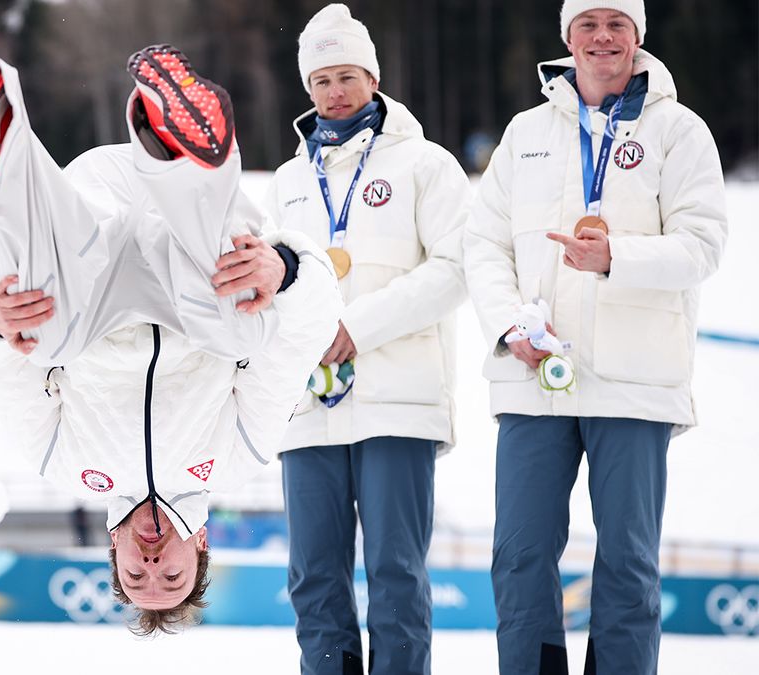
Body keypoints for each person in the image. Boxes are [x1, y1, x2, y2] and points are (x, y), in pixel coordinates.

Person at [0, 45, 341, 635]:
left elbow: (0, 372)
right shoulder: (237, 459)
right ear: (199, 547)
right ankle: (175, 144)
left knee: (39, 338)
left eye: (136, 576)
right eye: (170, 577)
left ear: (113, 554)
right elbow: (293, 346)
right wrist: (284, 272)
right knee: (242, 320)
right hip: (185, 266)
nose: (151, 564)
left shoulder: (63, 465)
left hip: (91, 252)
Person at [463, 1, 728, 672]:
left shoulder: (678, 130)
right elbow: (483, 243)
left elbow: (703, 245)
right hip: (535, 372)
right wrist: (509, 323)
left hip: (635, 381)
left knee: (628, 562)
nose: (602, 37)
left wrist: (616, 258)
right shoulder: (526, 132)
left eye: (616, 24)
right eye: (588, 24)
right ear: (567, 37)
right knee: (519, 553)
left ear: (638, 36)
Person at [263, 5, 469, 674]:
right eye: (320, 80)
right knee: (314, 576)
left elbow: (455, 269)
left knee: (395, 573)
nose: (334, 92)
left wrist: (356, 326)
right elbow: (272, 286)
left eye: (347, 76)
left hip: (397, 398)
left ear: (373, 77)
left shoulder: (425, 164)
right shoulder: (289, 181)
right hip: (307, 407)